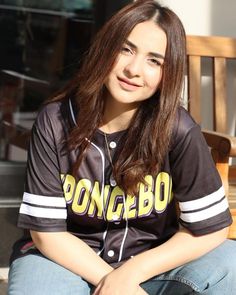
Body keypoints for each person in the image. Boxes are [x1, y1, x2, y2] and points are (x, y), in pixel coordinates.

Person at [7, 1, 236, 294]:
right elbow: (47, 234)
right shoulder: (56, 121)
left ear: (169, 72)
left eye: (155, 60)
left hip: (149, 264)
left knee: (231, 263)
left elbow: (211, 227)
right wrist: (112, 281)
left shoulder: (177, 128)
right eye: (125, 49)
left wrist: (130, 275)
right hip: (62, 261)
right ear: (106, 48)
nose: (133, 69)